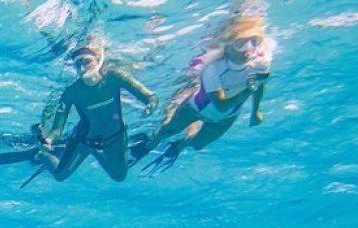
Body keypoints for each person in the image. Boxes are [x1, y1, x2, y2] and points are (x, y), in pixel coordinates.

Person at [128, 15, 272, 176]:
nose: (248, 49)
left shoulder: (260, 63)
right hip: (196, 108)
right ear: (228, 47)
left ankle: (176, 147)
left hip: (227, 117)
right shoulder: (214, 69)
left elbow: (260, 84)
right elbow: (221, 104)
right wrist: (248, 90)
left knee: (197, 145)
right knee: (166, 130)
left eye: (254, 41)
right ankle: (148, 145)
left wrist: (256, 111)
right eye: (241, 43)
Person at [34, 38, 158, 183]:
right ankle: (42, 155)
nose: (82, 67)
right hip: (84, 141)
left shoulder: (115, 76)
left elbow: (150, 96)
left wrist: (150, 106)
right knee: (60, 176)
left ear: (97, 60)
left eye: (86, 61)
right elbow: (57, 129)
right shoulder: (71, 92)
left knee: (119, 177)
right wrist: (48, 140)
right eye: (77, 64)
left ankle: (97, 153)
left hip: (116, 137)